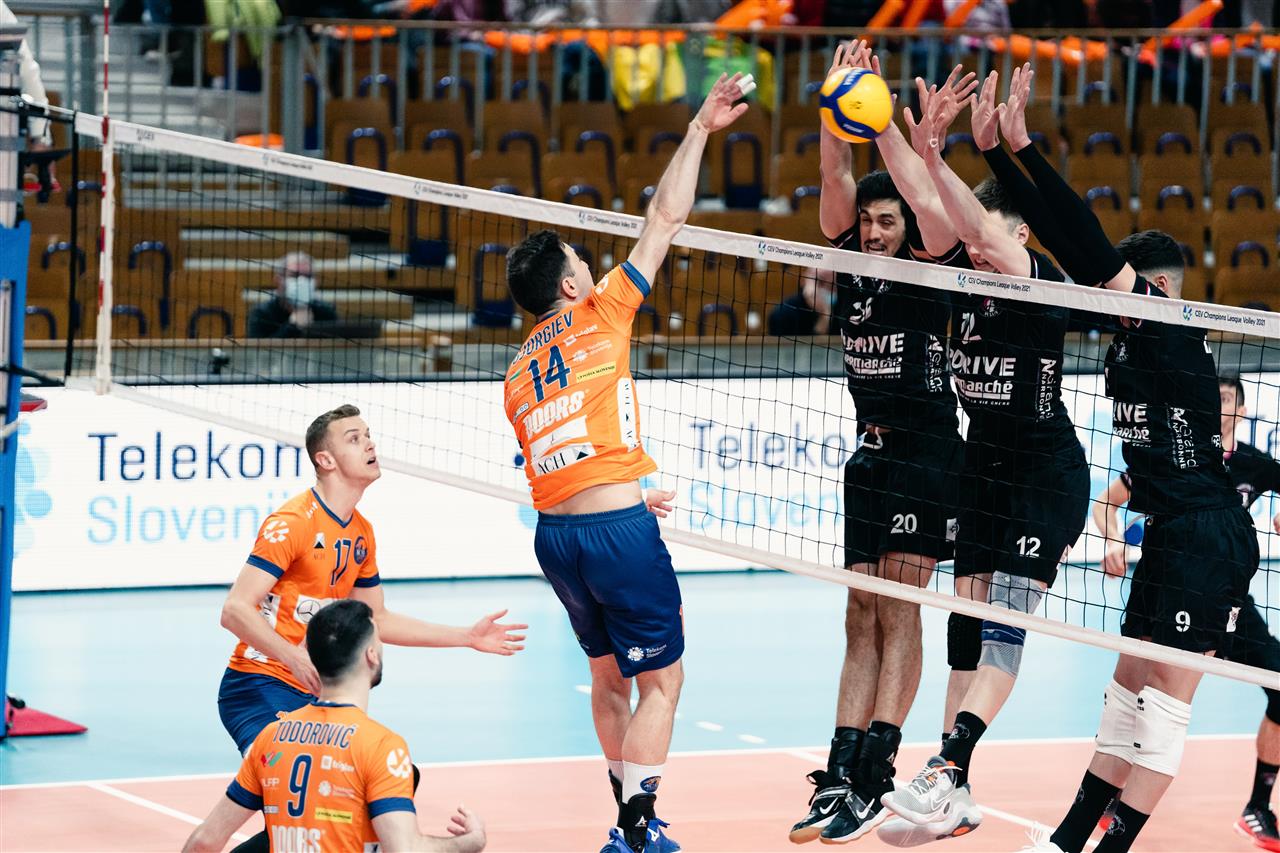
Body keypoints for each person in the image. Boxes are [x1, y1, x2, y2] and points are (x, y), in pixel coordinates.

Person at [975, 65, 1258, 853]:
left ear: (1157, 285)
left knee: (1162, 704)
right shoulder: (1127, 337)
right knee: (1124, 695)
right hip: (1170, 531)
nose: (1103, 289)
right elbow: (1070, 245)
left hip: (1208, 532)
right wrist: (998, 156)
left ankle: (1108, 847)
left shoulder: (1165, 321)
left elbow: (1086, 241)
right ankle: (1066, 841)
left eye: (1120, 282)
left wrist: (1023, 148)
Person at [501, 73, 747, 853]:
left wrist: (631, 487)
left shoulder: (515, 372)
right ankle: (635, 832)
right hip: (615, 534)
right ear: (571, 283)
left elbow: (566, 441)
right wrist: (700, 129)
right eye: (583, 259)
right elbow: (665, 215)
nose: (590, 266)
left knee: (609, 679)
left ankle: (631, 819)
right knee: (663, 682)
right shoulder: (602, 309)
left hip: (556, 537)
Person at [869, 68, 1091, 845]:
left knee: (1004, 628)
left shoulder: (1038, 279)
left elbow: (971, 223)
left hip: (1044, 477)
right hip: (982, 469)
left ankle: (946, 763)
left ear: (1017, 237)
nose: (972, 245)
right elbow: (931, 208)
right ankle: (953, 794)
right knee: (967, 623)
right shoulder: (966, 274)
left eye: (985, 235)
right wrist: (886, 127)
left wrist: (938, 157)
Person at [789, 41, 963, 845]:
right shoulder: (851, 260)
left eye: (885, 219)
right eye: (867, 220)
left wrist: (882, 112)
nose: (873, 230)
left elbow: (923, 193)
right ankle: (839, 768)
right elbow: (833, 176)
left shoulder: (929, 259)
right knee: (859, 611)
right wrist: (836, 100)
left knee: (899, 607)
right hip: (871, 454)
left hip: (928, 454)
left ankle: (876, 772)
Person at [217, 403, 525, 852]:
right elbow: (234, 610)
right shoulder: (292, 523)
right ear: (325, 459)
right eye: (354, 438)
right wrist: (295, 657)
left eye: (368, 435)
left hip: (314, 691)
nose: (369, 443)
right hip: (259, 684)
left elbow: (377, 618)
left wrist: (466, 637)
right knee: (299, 803)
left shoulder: (361, 531)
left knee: (386, 785)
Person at [1094, 374, 1280, 852]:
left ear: (1242, 410)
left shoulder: (1255, 465)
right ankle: (1109, 794)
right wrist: (1113, 540)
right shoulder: (1179, 456)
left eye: (1226, 400)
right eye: (1212, 399)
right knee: (1143, 691)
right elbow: (1106, 503)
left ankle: (1258, 808)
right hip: (1170, 587)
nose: (1218, 407)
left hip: (1226, 599)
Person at [184, 599, 488, 853]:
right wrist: (470, 841)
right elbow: (405, 849)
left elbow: (203, 842)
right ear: (371, 656)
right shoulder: (382, 747)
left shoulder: (270, 737)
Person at [247, 252, 339, 338]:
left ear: (316, 282)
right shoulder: (261, 314)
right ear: (278, 280)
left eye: (308, 276)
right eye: (294, 275)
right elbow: (258, 349)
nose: (302, 281)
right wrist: (293, 326)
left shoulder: (327, 313)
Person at [767, 267, 836, 336]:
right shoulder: (782, 314)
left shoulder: (839, 311)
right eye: (820, 282)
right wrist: (824, 318)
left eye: (833, 284)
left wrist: (826, 314)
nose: (827, 288)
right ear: (803, 280)